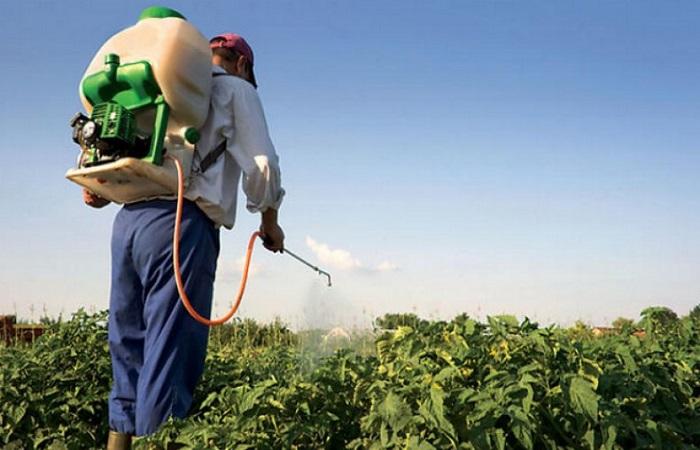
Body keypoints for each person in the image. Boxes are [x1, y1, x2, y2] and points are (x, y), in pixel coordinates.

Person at [84, 33, 285, 448]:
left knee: (128, 346)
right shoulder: (234, 89)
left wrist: (100, 188)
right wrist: (269, 220)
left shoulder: (160, 85)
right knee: (169, 356)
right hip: (181, 223)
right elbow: (261, 164)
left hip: (128, 223)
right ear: (243, 65)